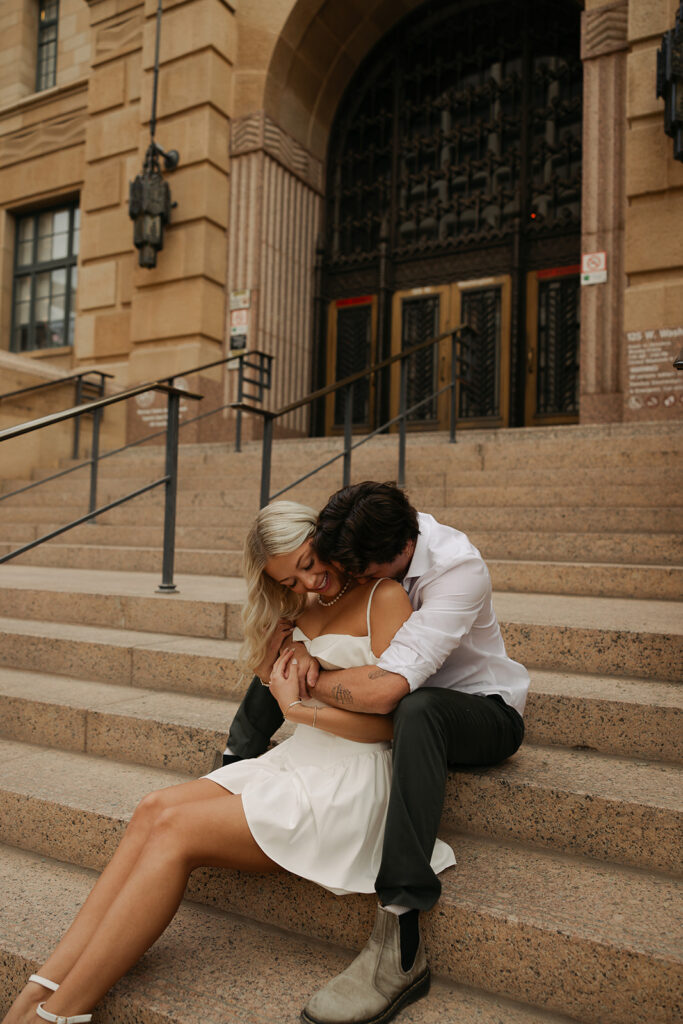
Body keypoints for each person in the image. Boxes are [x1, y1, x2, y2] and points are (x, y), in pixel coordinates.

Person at [2, 500, 454, 1024]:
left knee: (175, 832)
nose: (310, 582)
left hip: (351, 778)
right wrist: (280, 649)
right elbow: (275, 667)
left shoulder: (385, 596)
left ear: (324, 539)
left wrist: (297, 709)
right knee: (152, 809)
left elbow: (389, 724)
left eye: (310, 562)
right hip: (296, 761)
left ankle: (61, 1013)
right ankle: (42, 987)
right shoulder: (297, 610)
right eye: (291, 577)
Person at [224, 481, 529, 1024]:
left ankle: (400, 931)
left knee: (414, 708)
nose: (348, 580)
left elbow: (390, 691)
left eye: (362, 572)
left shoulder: (458, 570)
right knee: (303, 649)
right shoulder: (366, 531)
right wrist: (298, 645)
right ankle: (235, 759)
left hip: (479, 712)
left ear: (397, 554)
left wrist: (306, 678)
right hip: (399, 701)